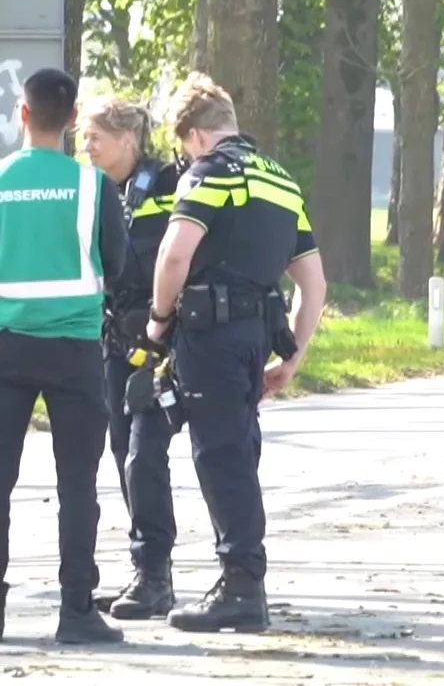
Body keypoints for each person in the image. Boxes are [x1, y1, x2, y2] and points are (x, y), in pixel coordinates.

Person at [145, 73, 328, 633]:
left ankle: (242, 587)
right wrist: (293, 357)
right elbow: (314, 283)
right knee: (239, 451)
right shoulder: (281, 180)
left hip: (211, 333)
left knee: (220, 456)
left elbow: (176, 256)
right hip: (255, 336)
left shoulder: (209, 172)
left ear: (196, 135)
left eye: (183, 147)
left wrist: (156, 322)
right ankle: (242, 579)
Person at [0, 68, 130, 644]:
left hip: (4, 347)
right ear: (74, 119)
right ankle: (76, 611)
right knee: (78, 484)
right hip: (76, 349)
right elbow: (118, 265)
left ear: (22, 116)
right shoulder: (92, 185)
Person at [78, 96, 186, 620]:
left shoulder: (170, 184)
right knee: (124, 452)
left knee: (144, 453)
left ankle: (155, 575)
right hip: (115, 343)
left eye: (95, 136)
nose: (86, 146)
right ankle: (148, 573)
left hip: (162, 342)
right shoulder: (95, 192)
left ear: (127, 139)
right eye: (82, 136)